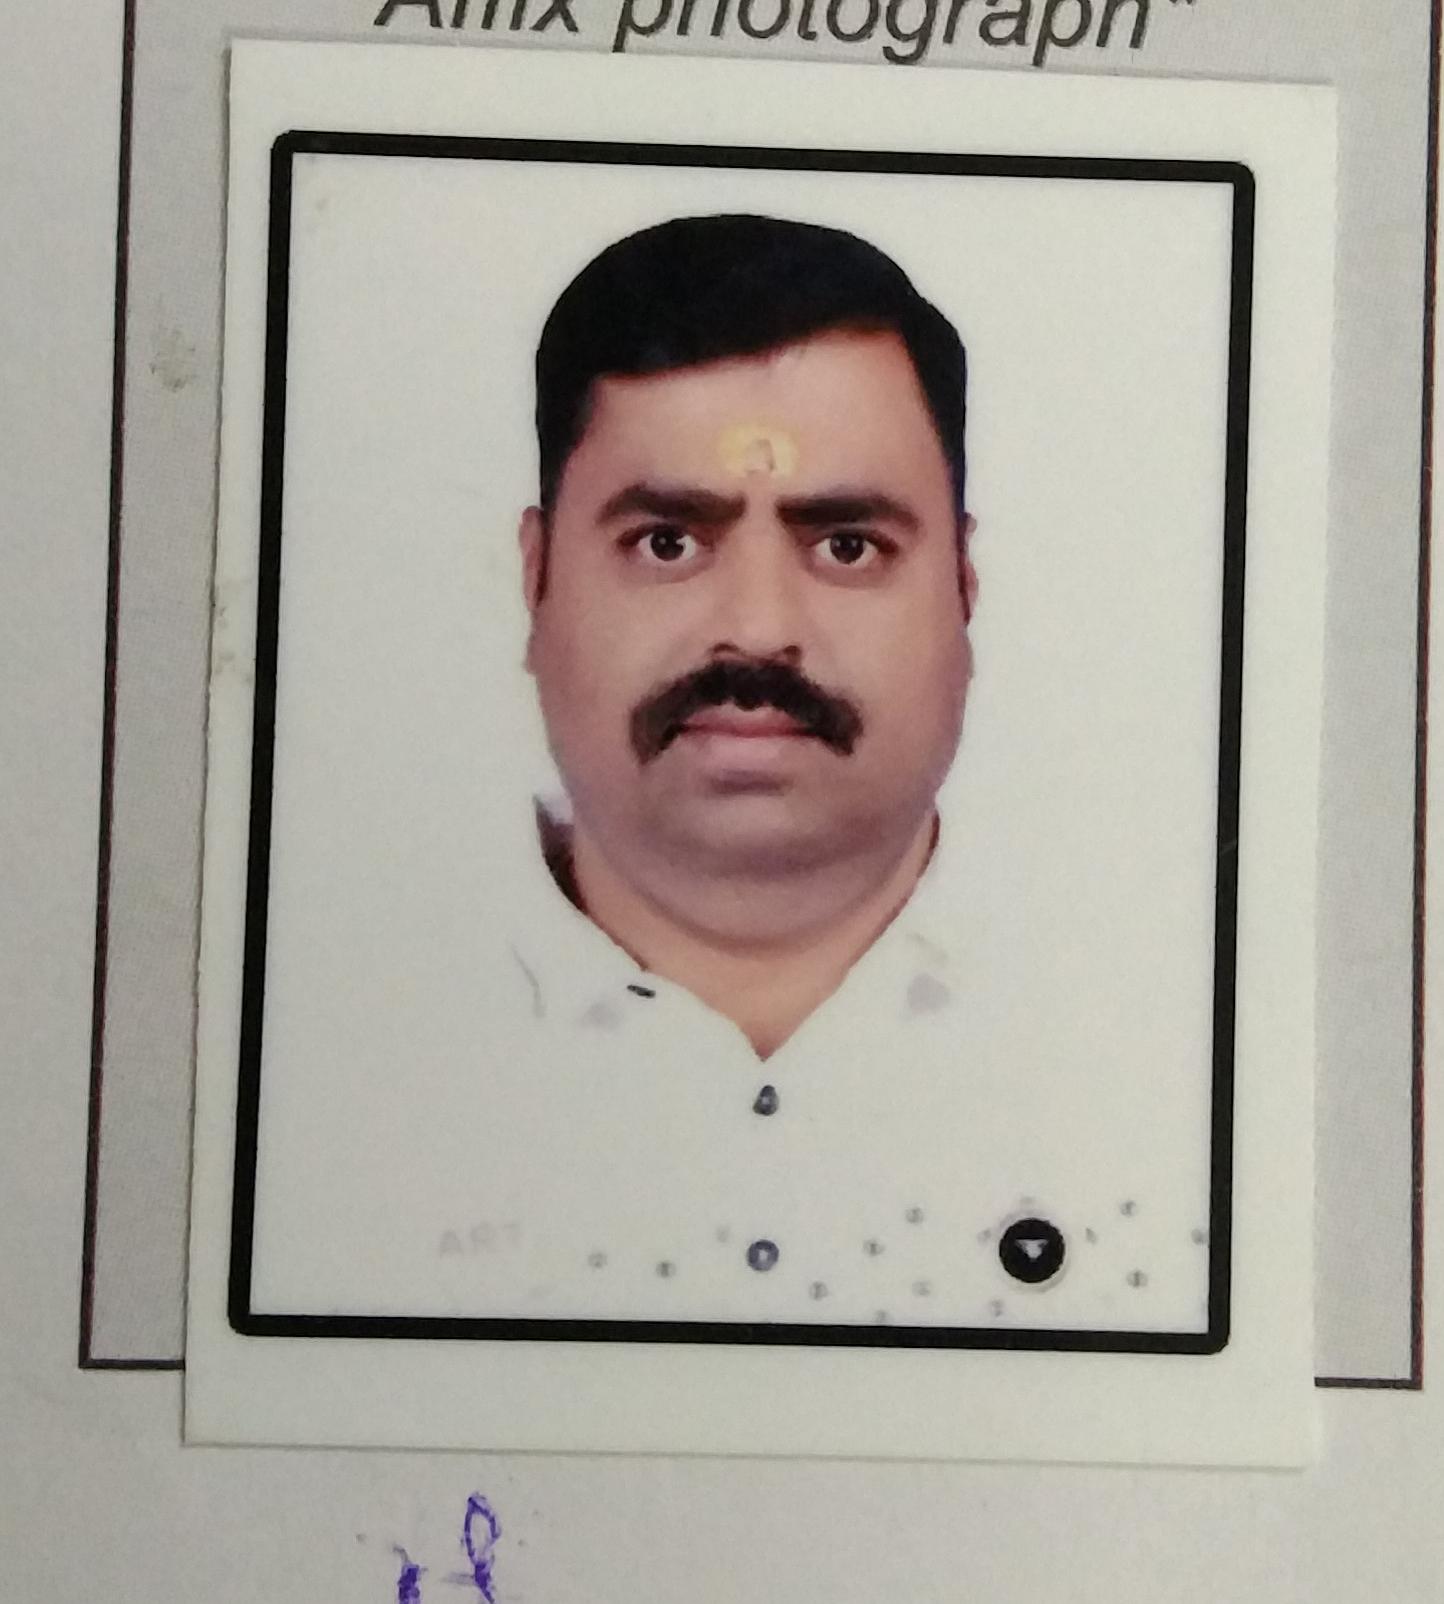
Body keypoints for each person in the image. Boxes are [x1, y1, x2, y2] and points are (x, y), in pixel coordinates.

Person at [518, 213, 978, 1061]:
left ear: (964, 583)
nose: (758, 631)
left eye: (848, 546)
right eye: (667, 543)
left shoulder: (1141, 1006)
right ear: (534, 575)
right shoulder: (354, 1003)